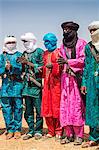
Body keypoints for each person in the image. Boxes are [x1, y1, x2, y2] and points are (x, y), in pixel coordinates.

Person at [57, 21, 87, 145]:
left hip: (76, 79)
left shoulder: (82, 43)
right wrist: (63, 63)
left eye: (68, 29)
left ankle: (79, 135)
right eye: (64, 29)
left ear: (74, 31)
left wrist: (68, 62)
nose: (66, 31)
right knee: (65, 106)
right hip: (65, 79)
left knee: (76, 106)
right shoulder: (62, 45)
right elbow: (60, 59)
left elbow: (83, 59)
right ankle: (69, 134)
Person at [19, 32, 44, 140]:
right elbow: (21, 69)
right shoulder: (24, 53)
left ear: (32, 41)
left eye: (26, 41)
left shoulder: (39, 52)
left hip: (36, 85)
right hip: (26, 86)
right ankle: (30, 130)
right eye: (23, 42)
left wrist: (29, 64)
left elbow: (42, 67)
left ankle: (38, 130)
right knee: (28, 110)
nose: (24, 43)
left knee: (39, 110)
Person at [0, 36, 23, 140]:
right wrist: (4, 68)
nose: (11, 44)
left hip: (17, 85)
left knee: (18, 108)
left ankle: (18, 129)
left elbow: (22, 68)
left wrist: (13, 67)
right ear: (5, 44)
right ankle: (10, 129)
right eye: (9, 42)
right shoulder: (2, 57)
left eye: (13, 42)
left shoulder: (19, 55)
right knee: (6, 109)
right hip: (5, 86)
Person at [81, 21, 99, 148]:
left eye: (95, 30)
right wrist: (84, 83)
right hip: (92, 83)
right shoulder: (88, 47)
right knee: (92, 109)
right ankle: (94, 137)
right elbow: (86, 66)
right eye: (90, 31)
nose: (92, 33)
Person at [41, 33, 62, 141]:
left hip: (57, 84)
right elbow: (43, 68)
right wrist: (42, 68)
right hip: (47, 84)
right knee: (47, 106)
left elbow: (61, 67)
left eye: (48, 41)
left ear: (54, 41)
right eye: (45, 42)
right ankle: (50, 130)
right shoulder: (44, 54)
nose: (46, 44)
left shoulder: (59, 52)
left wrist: (53, 66)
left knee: (56, 107)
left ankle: (58, 130)